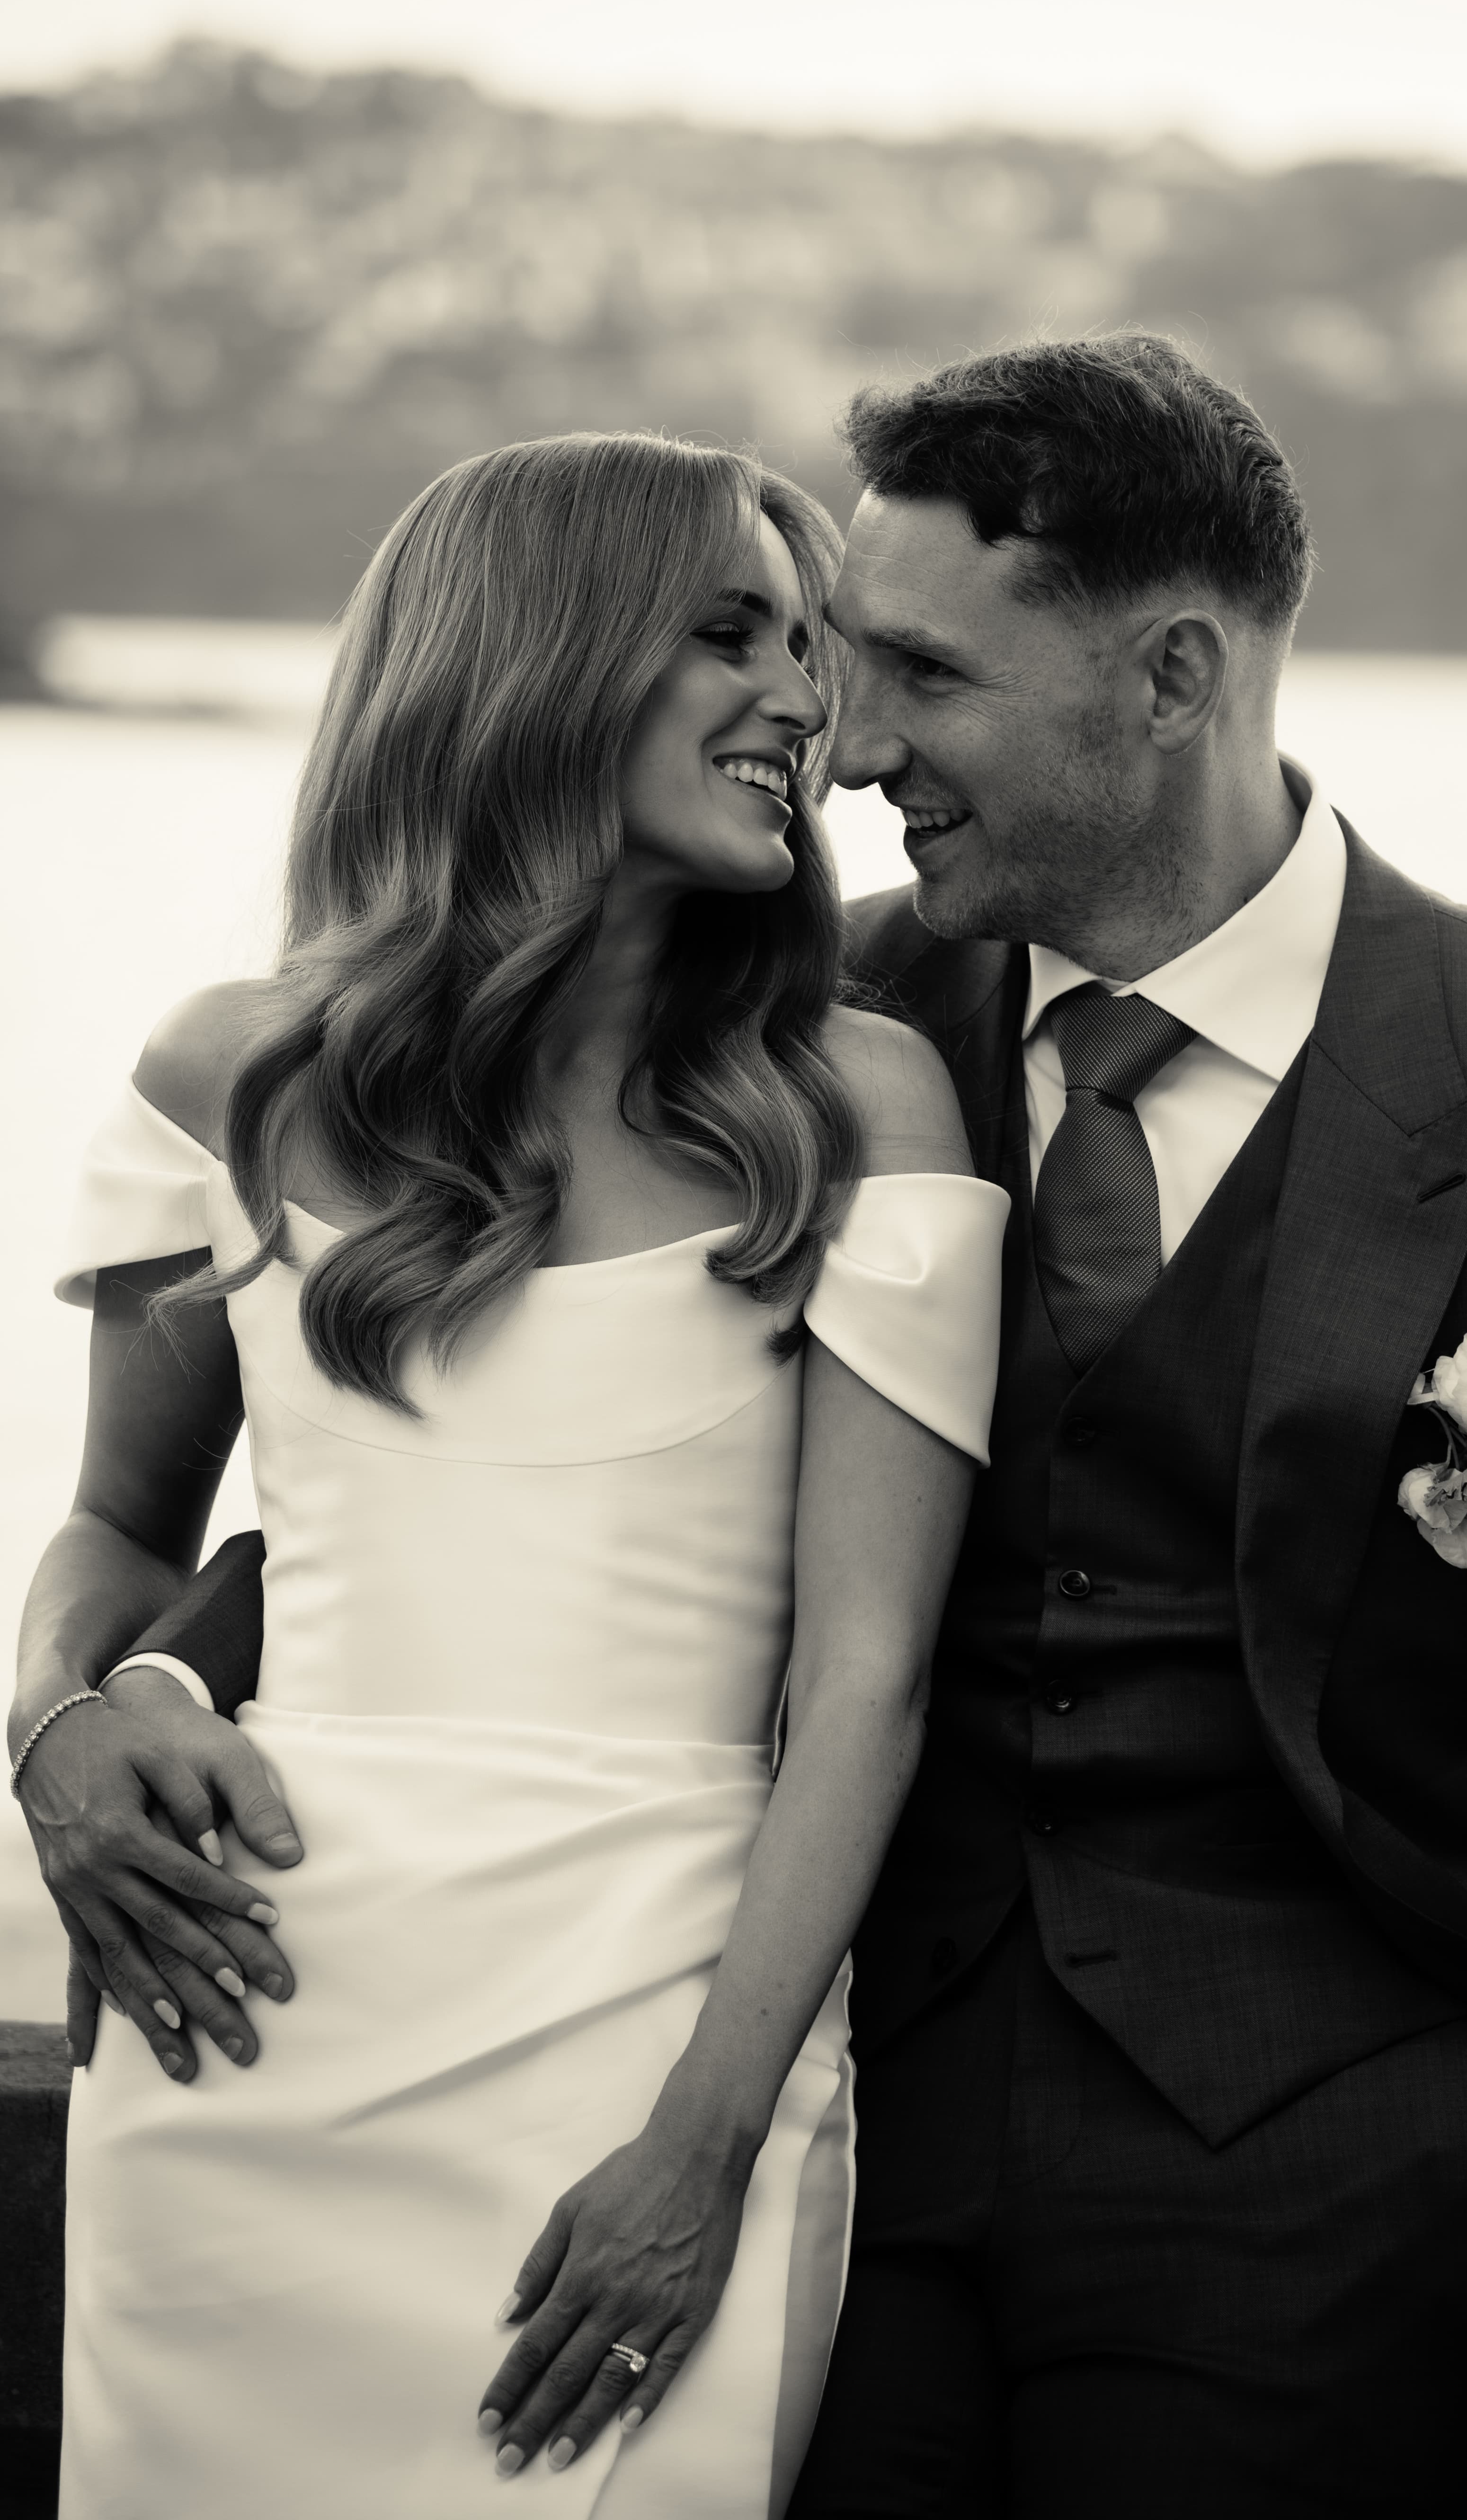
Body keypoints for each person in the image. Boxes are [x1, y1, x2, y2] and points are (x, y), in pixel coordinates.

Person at [23, 335, 1467, 2513]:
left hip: (1323, 2192)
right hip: (861, 2136)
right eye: (819, 655)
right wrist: (100, 1702)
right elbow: (435, 1481)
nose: (848, 738)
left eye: (916, 675)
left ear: (1172, 678)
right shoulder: (823, 1024)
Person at [8, 429, 1008, 2518]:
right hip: (250, 2028)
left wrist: (705, 2146)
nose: (805, 704)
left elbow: (866, 1688)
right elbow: (118, 1528)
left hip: (671, 2048)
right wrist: (51, 1730)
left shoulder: (860, 1105)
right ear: (535, 659)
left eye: (808, 647)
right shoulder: (227, 1075)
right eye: (733, 635)